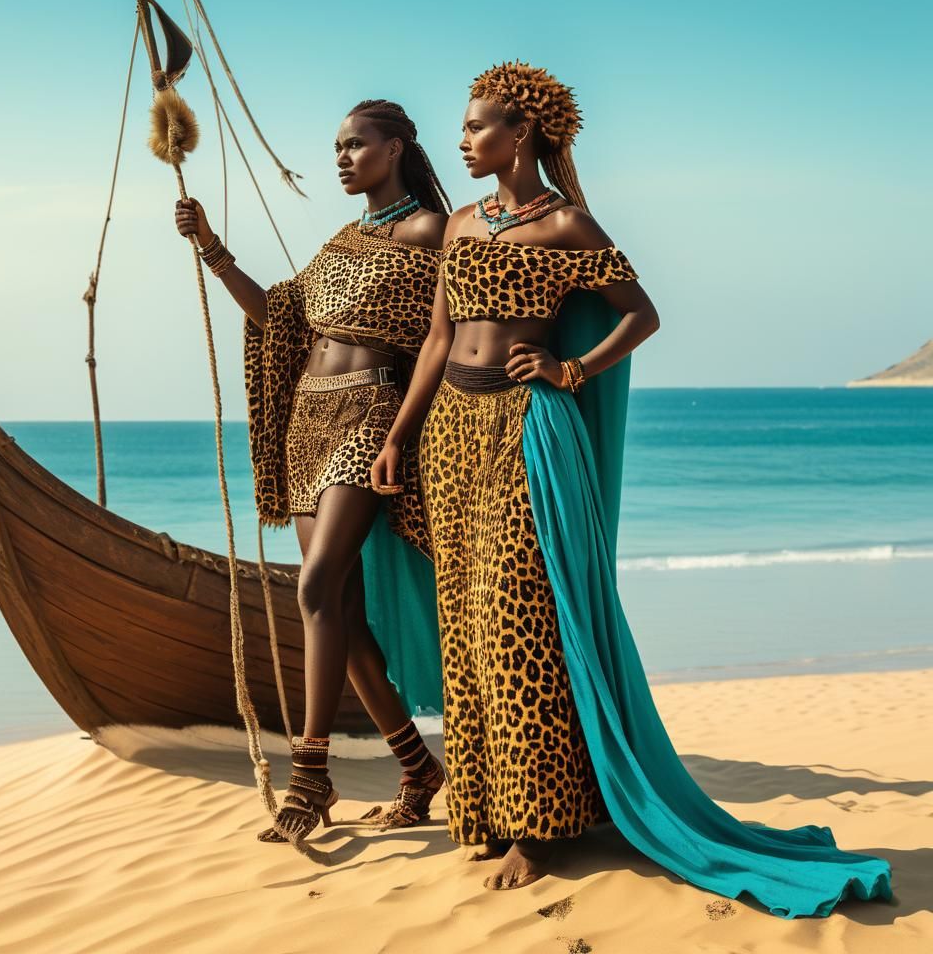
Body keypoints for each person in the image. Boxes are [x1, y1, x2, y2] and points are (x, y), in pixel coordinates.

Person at [371, 62, 892, 916]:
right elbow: (437, 338)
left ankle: (538, 827)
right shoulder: (461, 221)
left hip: (526, 431)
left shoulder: (568, 224)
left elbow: (641, 313)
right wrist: (399, 436)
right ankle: (486, 807)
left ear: (523, 132)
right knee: (464, 620)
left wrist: (572, 368)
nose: (462, 141)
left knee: (516, 617)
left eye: (477, 127)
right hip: (449, 438)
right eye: (462, 129)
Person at [175, 100, 450, 846]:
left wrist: (402, 432)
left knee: (314, 583)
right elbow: (279, 317)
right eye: (336, 146)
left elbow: (443, 338)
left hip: (371, 412)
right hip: (307, 420)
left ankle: (310, 771)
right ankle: (416, 768)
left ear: (394, 149)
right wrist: (212, 248)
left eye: (355, 145)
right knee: (339, 611)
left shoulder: (432, 231)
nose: (341, 157)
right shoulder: (337, 243)